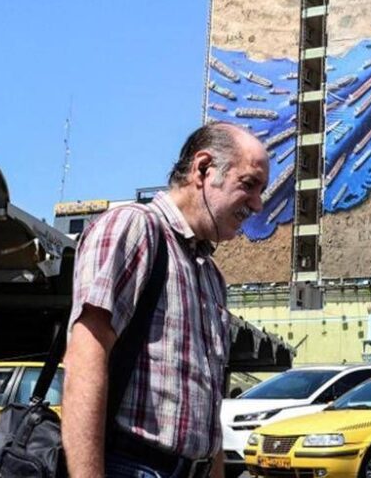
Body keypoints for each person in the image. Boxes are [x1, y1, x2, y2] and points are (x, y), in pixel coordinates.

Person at [63, 122, 269, 477]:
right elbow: (85, 359)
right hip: (131, 465)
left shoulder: (210, 275)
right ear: (203, 169)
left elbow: (208, 411)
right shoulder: (134, 228)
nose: (258, 204)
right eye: (249, 185)